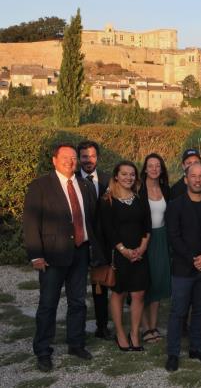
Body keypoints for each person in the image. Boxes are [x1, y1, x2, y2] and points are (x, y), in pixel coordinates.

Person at [24, 143, 100, 372]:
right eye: (65, 157)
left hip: (80, 252)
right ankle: (43, 351)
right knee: (48, 304)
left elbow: (91, 219)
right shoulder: (41, 186)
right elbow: (30, 222)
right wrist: (36, 255)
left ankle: (75, 343)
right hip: (52, 255)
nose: (70, 161)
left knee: (78, 302)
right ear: (54, 160)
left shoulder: (84, 185)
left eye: (73, 158)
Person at [165, 163, 201, 372]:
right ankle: (172, 353)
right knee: (178, 312)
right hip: (183, 268)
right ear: (186, 179)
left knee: (200, 311)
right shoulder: (175, 205)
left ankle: (197, 349)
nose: (197, 180)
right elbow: (174, 237)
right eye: (193, 176)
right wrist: (193, 259)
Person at [99, 161, 151, 352]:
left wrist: (142, 248)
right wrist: (124, 251)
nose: (128, 178)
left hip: (139, 253)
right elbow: (108, 229)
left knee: (139, 293)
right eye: (124, 174)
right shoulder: (107, 200)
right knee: (119, 293)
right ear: (116, 176)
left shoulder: (139, 198)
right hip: (119, 254)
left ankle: (135, 333)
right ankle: (120, 333)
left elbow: (147, 226)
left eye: (132, 174)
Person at [76, 140, 112, 340]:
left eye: (92, 156)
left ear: (97, 157)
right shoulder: (72, 180)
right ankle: (77, 330)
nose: (88, 160)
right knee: (77, 287)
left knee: (101, 286)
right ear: (79, 158)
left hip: (104, 243)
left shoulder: (108, 180)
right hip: (80, 241)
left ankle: (102, 326)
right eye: (84, 156)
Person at [139, 153, 172, 345]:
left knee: (158, 283)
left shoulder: (165, 189)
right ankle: (145, 328)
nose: (154, 169)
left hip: (161, 238)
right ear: (145, 169)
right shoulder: (138, 189)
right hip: (144, 238)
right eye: (150, 166)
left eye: (157, 166)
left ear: (161, 169)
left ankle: (153, 325)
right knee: (143, 284)